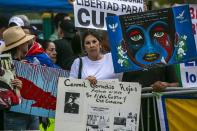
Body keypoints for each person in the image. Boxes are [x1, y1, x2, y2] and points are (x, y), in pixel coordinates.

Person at [2, 26, 39, 130]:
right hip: (15, 113)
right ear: (19, 45)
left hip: (31, 111)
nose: (28, 43)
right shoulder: (4, 66)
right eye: (26, 42)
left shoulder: (28, 62)